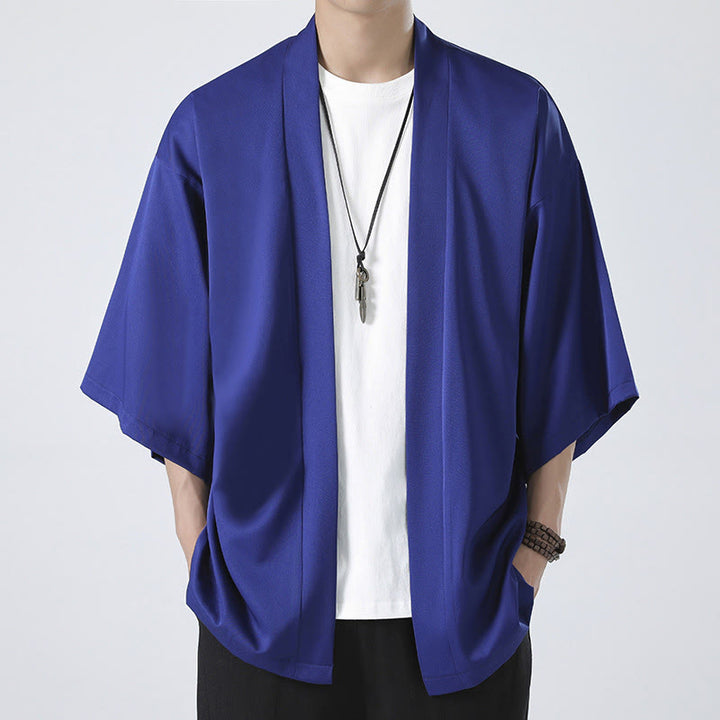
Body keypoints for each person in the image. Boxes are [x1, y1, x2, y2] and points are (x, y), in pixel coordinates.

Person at [79, 1, 639, 718]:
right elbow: (165, 365)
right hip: (260, 624)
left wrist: (535, 550)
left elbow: (563, 354)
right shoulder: (213, 128)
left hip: (467, 624)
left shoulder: (514, 121)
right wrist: (200, 555)